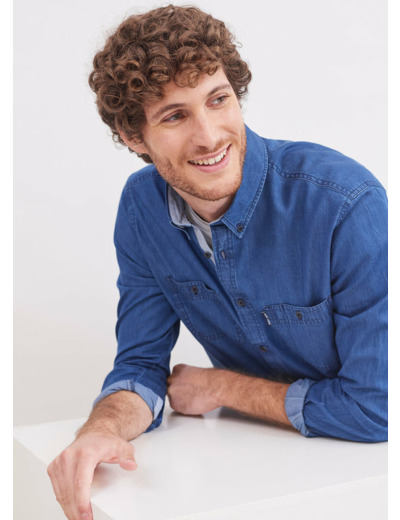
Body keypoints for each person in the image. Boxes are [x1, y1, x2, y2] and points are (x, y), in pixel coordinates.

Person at [47, 4, 388, 520]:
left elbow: (378, 408)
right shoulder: (142, 209)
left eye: (218, 99)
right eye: (175, 116)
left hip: (372, 480)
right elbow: (140, 366)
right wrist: (101, 429)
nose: (209, 136)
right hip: (251, 476)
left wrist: (220, 386)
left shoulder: (344, 203)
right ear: (135, 137)